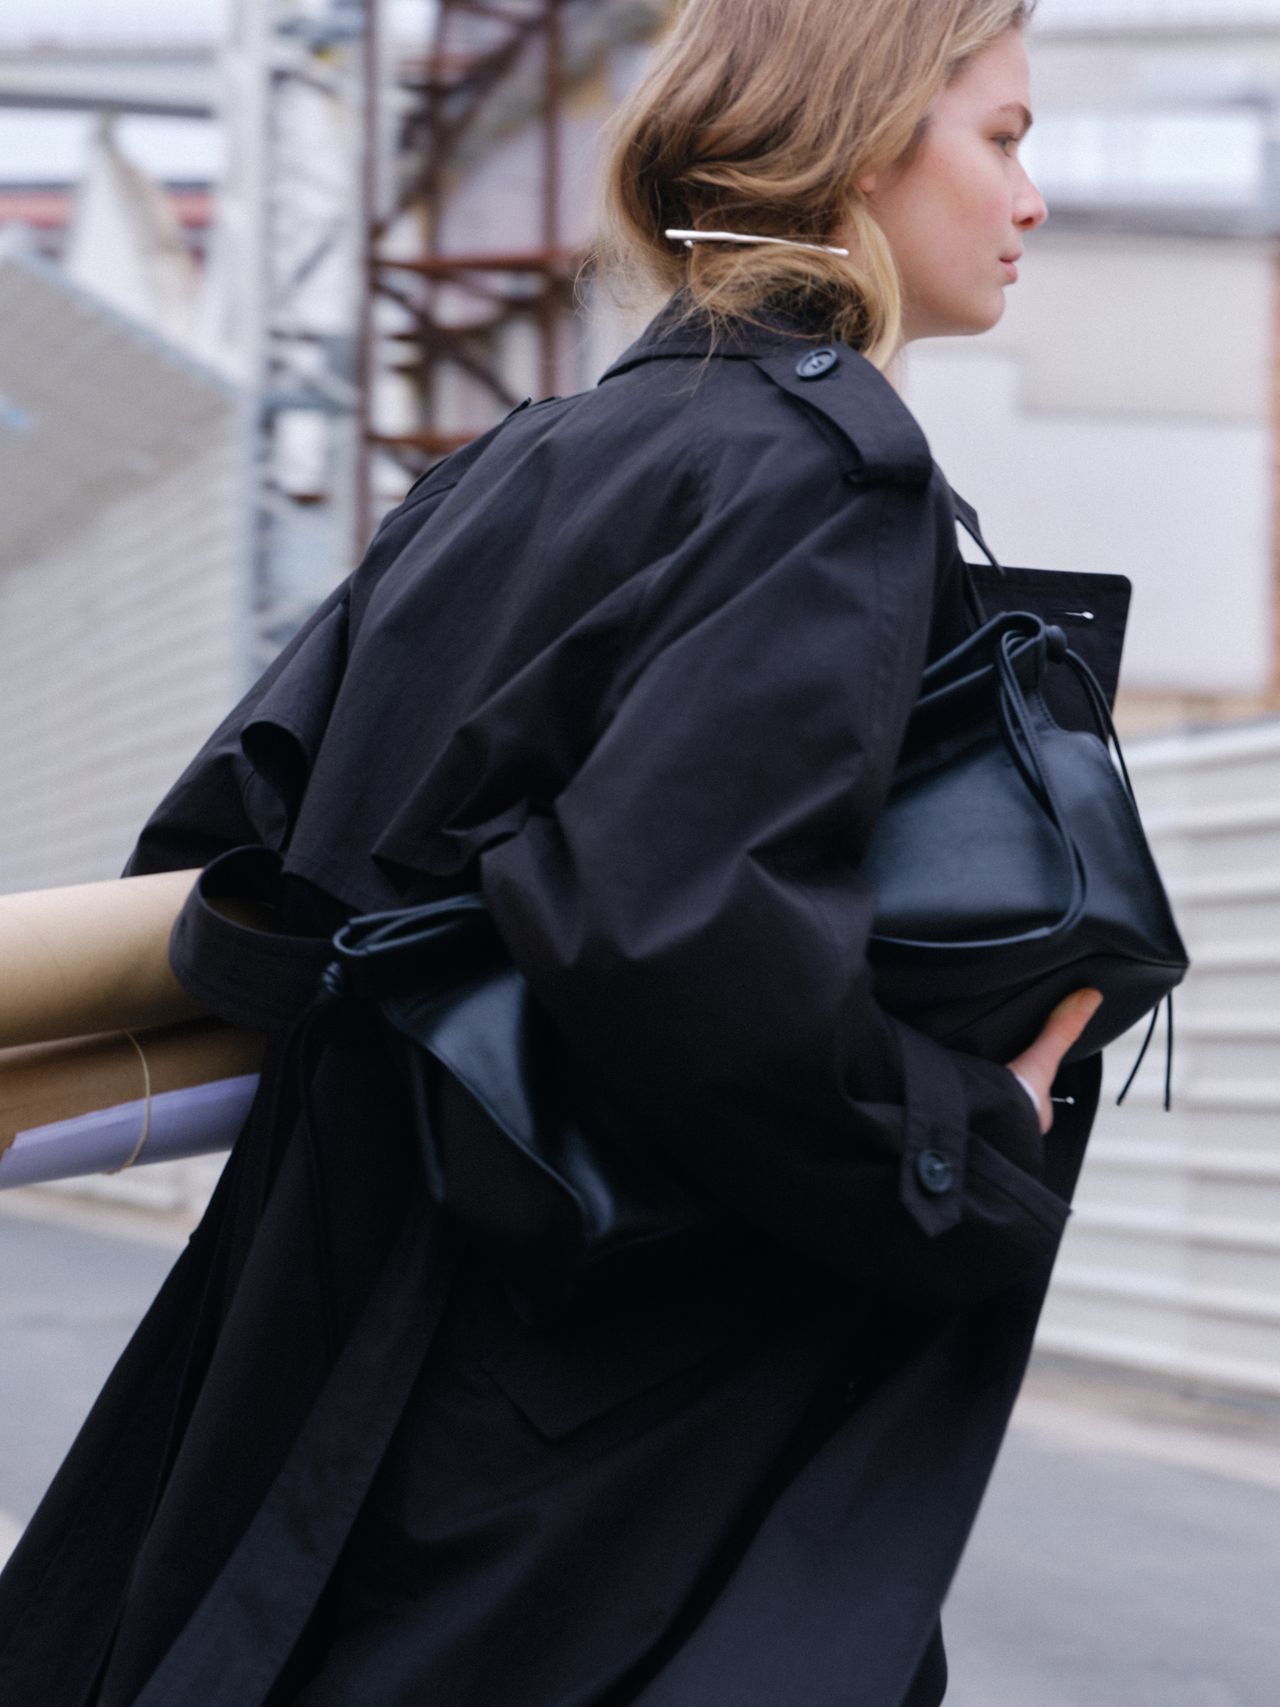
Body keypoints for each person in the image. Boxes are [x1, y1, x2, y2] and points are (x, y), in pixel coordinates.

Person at [0, 2, 1115, 1703]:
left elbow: (237, 847)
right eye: (1006, 139)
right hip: (604, 1427)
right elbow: (675, 930)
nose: (1033, 199)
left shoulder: (518, 465)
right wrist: (965, 1135)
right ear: (858, 142)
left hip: (334, 1355)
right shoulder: (822, 480)